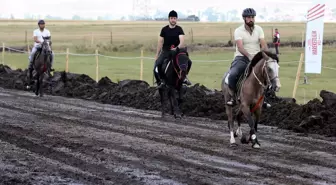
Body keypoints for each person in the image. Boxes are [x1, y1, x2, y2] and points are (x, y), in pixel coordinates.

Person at [225, 8, 271, 108]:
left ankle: (264, 99)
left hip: (256, 57)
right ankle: (233, 98)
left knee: (267, 73)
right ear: (244, 19)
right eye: (249, 17)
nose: (251, 19)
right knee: (233, 74)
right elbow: (240, 47)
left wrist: (265, 54)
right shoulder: (238, 31)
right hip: (242, 58)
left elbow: (263, 44)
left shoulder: (259, 29)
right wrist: (249, 56)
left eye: (253, 17)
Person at [154, 10, 191, 89]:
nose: (173, 20)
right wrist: (157, 54)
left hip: (177, 51)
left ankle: (184, 77)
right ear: (169, 19)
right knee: (157, 65)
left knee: (189, 62)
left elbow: (182, 42)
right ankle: (161, 81)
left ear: (176, 19)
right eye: (171, 18)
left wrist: (176, 48)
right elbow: (160, 42)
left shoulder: (179, 29)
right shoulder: (164, 29)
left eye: (174, 18)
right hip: (166, 51)